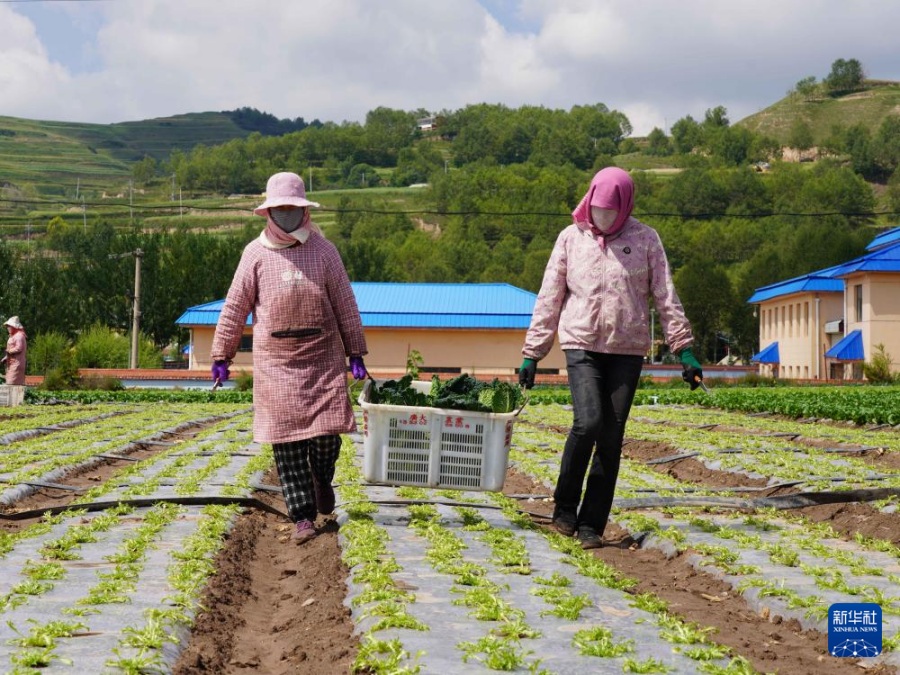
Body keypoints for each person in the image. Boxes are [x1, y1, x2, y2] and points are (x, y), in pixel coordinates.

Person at [518, 167, 702, 550]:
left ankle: (591, 524)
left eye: (611, 212)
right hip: (581, 343)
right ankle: (565, 509)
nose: (603, 218)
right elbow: (549, 297)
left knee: (611, 437)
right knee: (588, 423)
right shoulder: (571, 239)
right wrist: (532, 353)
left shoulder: (646, 240)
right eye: (598, 209)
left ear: (625, 208)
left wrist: (684, 349)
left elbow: (666, 296)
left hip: (626, 349)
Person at [211, 171, 369, 544]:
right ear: (268, 212)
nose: (286, 215)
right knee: (288, 444)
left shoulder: (324, 250)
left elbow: (345, 303)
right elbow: (235, 307)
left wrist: (356, 351)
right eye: (279, 209)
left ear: (304, 211)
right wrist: (222, 354)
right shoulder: (255, 254)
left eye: (292, 209)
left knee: (328, 435)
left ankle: (322, 479)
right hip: (277, 363)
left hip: (322, 356)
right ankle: (301, 516)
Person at [1, 316, 27, 386]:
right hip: (11, 363)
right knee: (9, 382)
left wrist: (9, 351)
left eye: (9, 326)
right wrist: (6, 358)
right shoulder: (13, 336)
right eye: (7, 326)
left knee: (12, 383)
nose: (8, 328)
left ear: (14, 326)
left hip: (17, 363)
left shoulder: (19, 336)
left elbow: (19, 348)